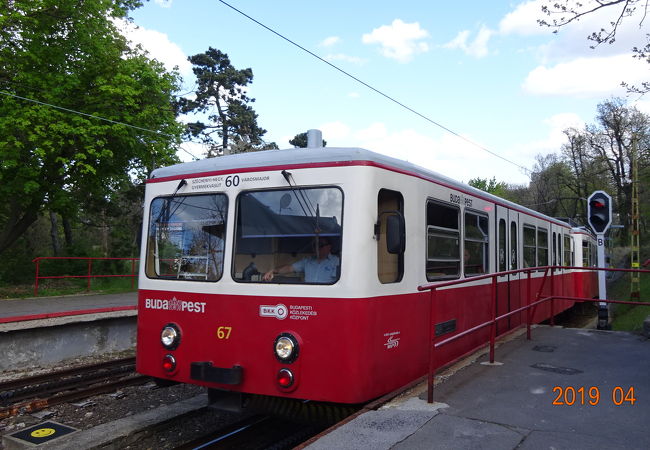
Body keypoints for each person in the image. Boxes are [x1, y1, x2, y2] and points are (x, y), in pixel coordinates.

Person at [263, 236, 339, 283]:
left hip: (327, 297)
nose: (317, 248)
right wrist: (273, 270)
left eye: (320, 245)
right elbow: (289, 268)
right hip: (307, 296)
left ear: (329, 247)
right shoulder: (307, 261)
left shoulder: (336, 262)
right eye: (315, 245)